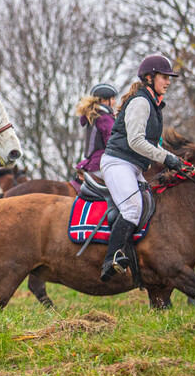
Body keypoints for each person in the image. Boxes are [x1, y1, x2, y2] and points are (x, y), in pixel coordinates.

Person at [99, 55, 186, 282]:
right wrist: (167, 158)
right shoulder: (140, 102)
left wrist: (175, 160)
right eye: (164, 77)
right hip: (118, 163)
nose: (168, 82)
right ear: (149, 77)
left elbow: (153, 143)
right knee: (132, 209)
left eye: (169, 78)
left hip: (132, 166)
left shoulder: (153, 104)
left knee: (151, 204)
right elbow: (136, 141)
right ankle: (111, 259)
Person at [74, 83, 118, 178]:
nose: (114, 102)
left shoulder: (95, 116)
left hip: (91, 162)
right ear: (103, 100)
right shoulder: (104, 118)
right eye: (113, 99)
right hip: (101, 163)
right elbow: (112, 143)